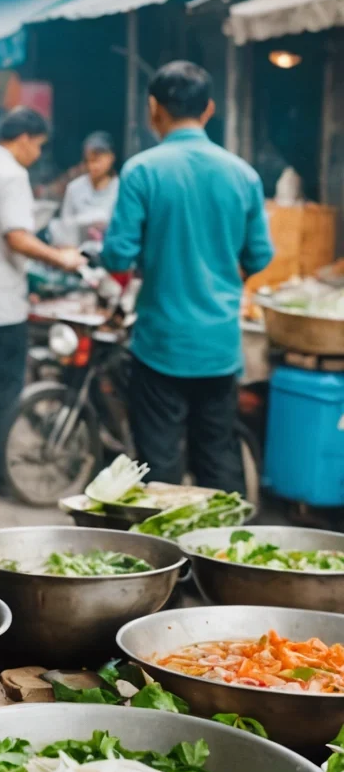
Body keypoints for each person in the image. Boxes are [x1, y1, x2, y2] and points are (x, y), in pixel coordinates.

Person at [102, 62, 273, 491]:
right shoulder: (243, 174)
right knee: (218, 459)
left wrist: (154, 257)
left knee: (160, 467)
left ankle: (168, 556)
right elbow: (260, 254)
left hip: (162, 343)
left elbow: (117, 256)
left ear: (153, 108)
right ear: (209, 109)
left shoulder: (142, 171)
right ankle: (225, 554)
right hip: (219, 346)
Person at [0, 107, 86, 493]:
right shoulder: (11, 174)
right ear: (24, 137)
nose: (38, 154)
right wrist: (62, 258)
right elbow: (17, 236)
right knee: (4, 389)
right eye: (38, 145)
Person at [52, 131, 118, 247]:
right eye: (90, 160)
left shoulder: (121, 189)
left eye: (98, 160)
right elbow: (65, 225)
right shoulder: (74, 188)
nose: (94, 166)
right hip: (78, 251)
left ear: (111, 157)